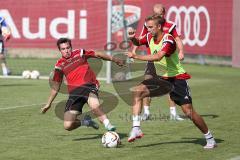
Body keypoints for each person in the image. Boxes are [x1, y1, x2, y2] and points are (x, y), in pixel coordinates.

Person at [126, 15, 217, 149]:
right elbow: (139, 42)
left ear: (159, 27)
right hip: (162, 79)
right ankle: (136, 128)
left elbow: (157, 56)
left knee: (188, 112)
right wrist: (133, 38)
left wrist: (136, 56)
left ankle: (210, 138)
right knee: (138, 92)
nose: (148, 30)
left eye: (151, 27)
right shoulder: (149, 36)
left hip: (176, 79)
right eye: (147, 27)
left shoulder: (168, 40)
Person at [41, 38, 124, 132]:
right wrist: (49, 103)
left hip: (88, 86)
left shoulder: (80, 53)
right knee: (68, 125)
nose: (66, 50)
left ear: (71, 47)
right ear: (60, 50)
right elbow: (56, 86)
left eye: (68, 48)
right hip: (74, 94)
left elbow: (97, 54)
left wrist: (114, 59)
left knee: (95, 106)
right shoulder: (59, 65)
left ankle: (108, 125)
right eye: (63, 49)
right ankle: (85, 122)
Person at [129, 3, 184, 121]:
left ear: (163, 13)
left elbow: (178, 39)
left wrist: (181, 52)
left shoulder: (170, 25)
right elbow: (141, 38)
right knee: (147, 82)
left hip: (167, 61)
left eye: (158, 14)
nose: (155, 15)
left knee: (171, 86)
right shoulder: (149, 24)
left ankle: (173, 113)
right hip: (152, 59)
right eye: (154, 13)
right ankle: (146, 113)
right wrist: (134, 50)